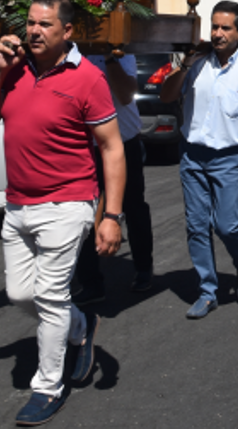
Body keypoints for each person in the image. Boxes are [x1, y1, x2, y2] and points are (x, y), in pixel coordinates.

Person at [0, 0, 126, 425]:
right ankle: (80, 327)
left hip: (68, 202)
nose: (34, 31)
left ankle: (47, 386)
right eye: (30, 23)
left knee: (50, 295)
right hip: (17, 203)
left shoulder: (87, 78)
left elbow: (112, 149)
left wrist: (110, 216)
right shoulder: (14, 70)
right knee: (21, 294)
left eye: (45, 25)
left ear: (67, 31)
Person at [159, 1, 238, 319]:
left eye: (225, 28)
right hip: (192, 155)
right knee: (196, 226)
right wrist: (184, 65)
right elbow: (166, 96)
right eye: (214, 26)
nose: (218, 34)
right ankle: (208, 291)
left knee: (226, 224)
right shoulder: (196, 63)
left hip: (229, 158)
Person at [72, 52, 154, 304]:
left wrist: (108, 57)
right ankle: (90, 281)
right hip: (85, 144)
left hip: (123, 138)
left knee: (132, 206)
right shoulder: (69, 52)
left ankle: (143, 268)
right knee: (83, 211)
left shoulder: (120, 52)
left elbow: (126, 93)